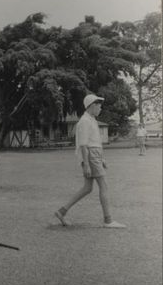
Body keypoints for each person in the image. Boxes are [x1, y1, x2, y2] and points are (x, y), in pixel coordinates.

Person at [54, 94, 126, 229]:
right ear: (92, 105)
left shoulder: (91, 120)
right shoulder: (84, 121)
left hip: (94, 155)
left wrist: (101, 159)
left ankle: (61, 211)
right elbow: (84, 145)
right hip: (90, 155)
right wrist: (87, 164)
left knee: (87, 188)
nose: (100, 108)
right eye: (99, 106)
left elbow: (95, 141)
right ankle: (108, 220)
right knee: (103, 186)